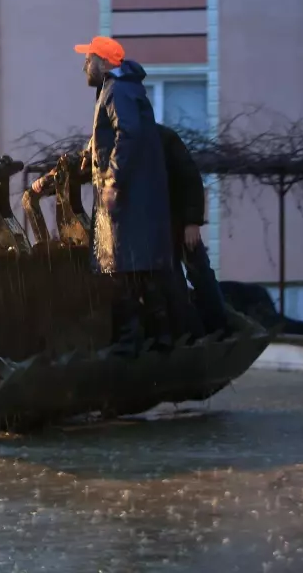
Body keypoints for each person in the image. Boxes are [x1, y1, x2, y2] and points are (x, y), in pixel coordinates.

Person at [72, 36, 202, 351]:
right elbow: (118, 136)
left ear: (102, 63)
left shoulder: (117, 91)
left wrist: (113, 181)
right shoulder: (123, 89)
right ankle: (160, 340)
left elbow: (127, 132)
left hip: (126, 202)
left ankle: (130, 343)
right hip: (133, 202)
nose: (84, 66)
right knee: (138, 271)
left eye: (88, 59)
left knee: (123, 270)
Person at [156, 122, 230, 337]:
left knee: (200, 274)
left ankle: (219, 328)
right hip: (157, 228)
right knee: (174, 281)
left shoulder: (164, 138)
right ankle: (193, 332)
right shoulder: (124, 140)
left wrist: (191, 223)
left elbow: (190, 179)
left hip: (177, 222)